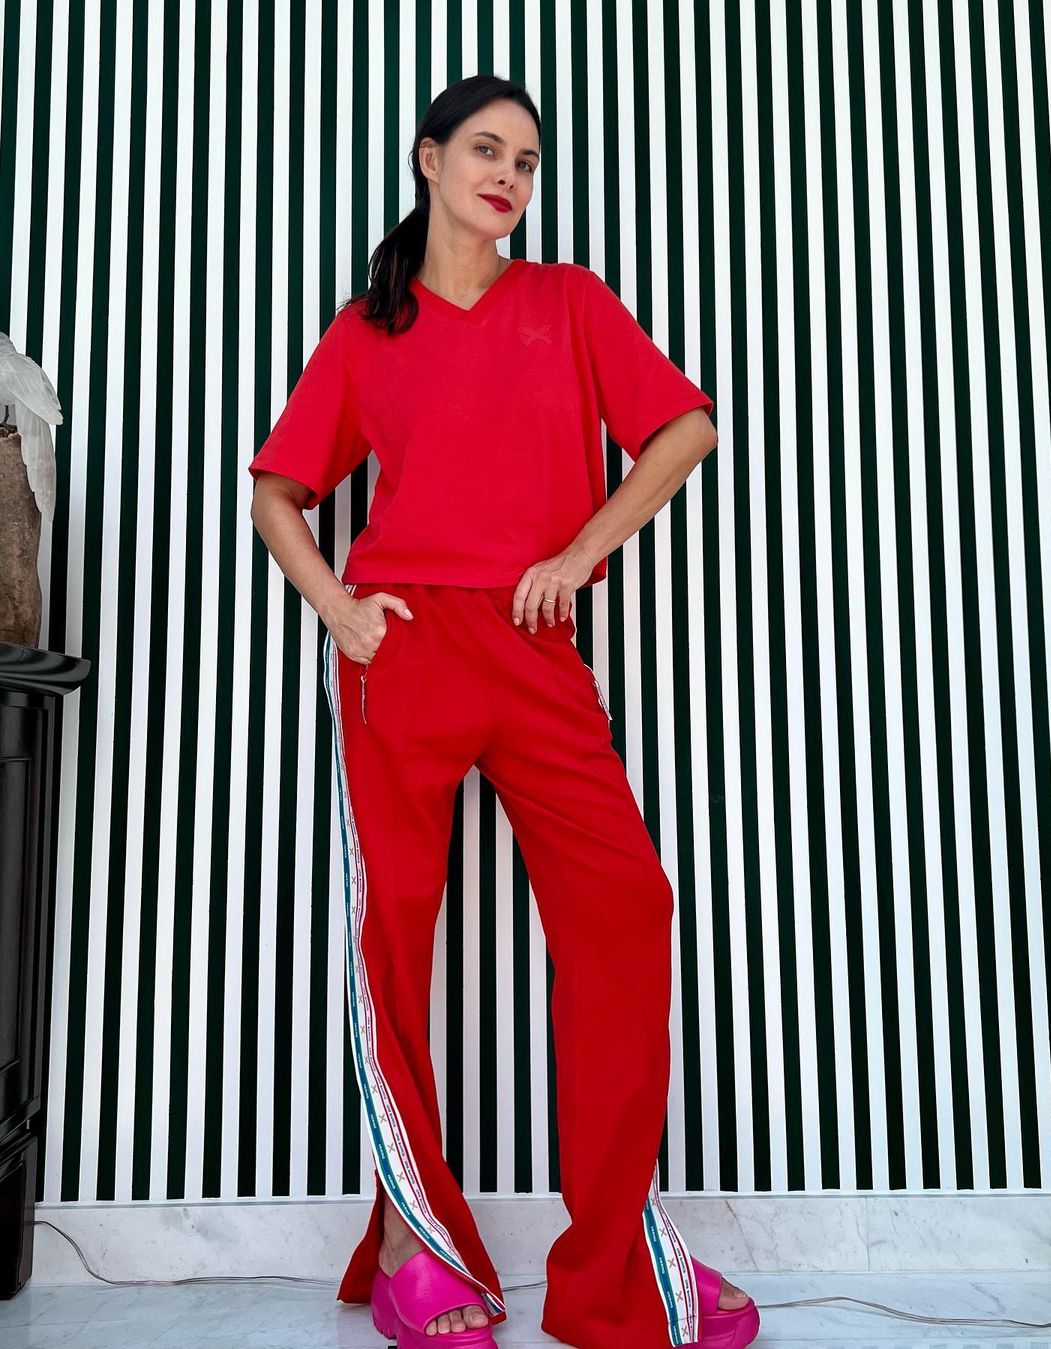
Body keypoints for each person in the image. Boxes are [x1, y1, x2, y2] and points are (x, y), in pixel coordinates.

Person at [248, 73, 759, 1349]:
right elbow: (276, 492)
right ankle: (418, 1246)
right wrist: (337, 606)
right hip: (405, 650)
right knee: (394, 940)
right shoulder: (367, 332)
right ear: (429, 160)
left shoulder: (569, 302)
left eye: (526, 162)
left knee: (625, 909)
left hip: (537, 649)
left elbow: (685, 429)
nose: (509, 178)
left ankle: (614, 1263)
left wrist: (581, 550)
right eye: (486, 150)